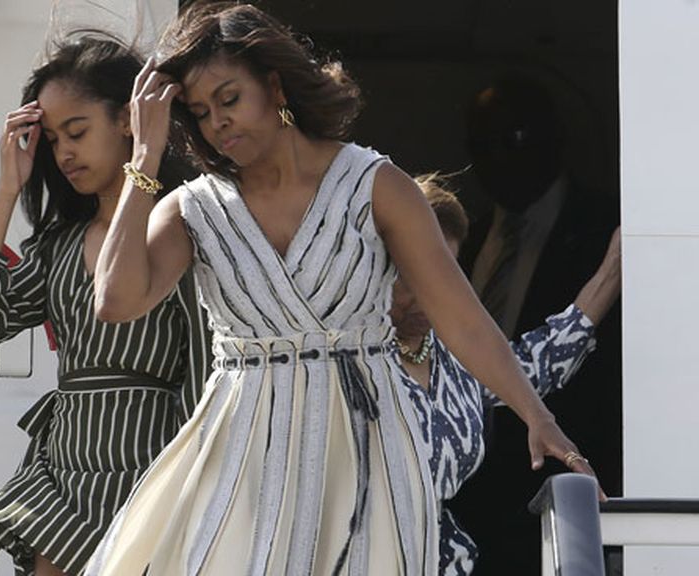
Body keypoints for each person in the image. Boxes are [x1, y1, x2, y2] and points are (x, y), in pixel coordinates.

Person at [85, 4, 596, 574]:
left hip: (368, 445)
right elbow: (117, 300)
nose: (218, 123)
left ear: (274, 86)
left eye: (229, 99)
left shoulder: (375, 185)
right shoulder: (194, 209)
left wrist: (538, 417)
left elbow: (464, 319)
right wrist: (143, 160)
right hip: (244, 448)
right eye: (201, 113)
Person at [0, 36, 212, 576]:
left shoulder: (185, 231)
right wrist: (6, 190)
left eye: (78, 132)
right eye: (54, 139)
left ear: (128, 121)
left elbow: (206, 373)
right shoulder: (59, 246)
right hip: (64, 469)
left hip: (155, 466)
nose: (63, 152)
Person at [391, 174, 620, 575]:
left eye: (445, 278)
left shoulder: (458, 359)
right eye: (411, 278)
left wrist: (612, 272)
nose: (429, 295)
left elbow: (538, 361)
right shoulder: (345, 358)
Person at [455, 76, 622, 575]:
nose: (498, 158)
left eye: (516, 139)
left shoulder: (606, 230)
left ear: (556, 138)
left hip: (566, 494)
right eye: (482, 146)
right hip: (470, 502)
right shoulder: (462, 238)